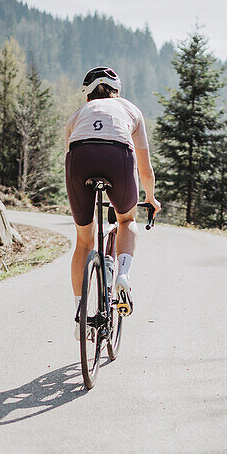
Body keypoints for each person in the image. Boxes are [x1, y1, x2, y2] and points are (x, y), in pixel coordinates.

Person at [64, 67, 160, 333]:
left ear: (87, 97)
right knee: (127, 219)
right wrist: (150, 198)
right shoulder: (131, 110)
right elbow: (145, 169)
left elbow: (69, 159)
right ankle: (123, 275)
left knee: (84, 241)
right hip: (118, 156)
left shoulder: (76, 116)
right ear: (117, 91)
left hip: (79, 158)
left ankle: (81, 316)